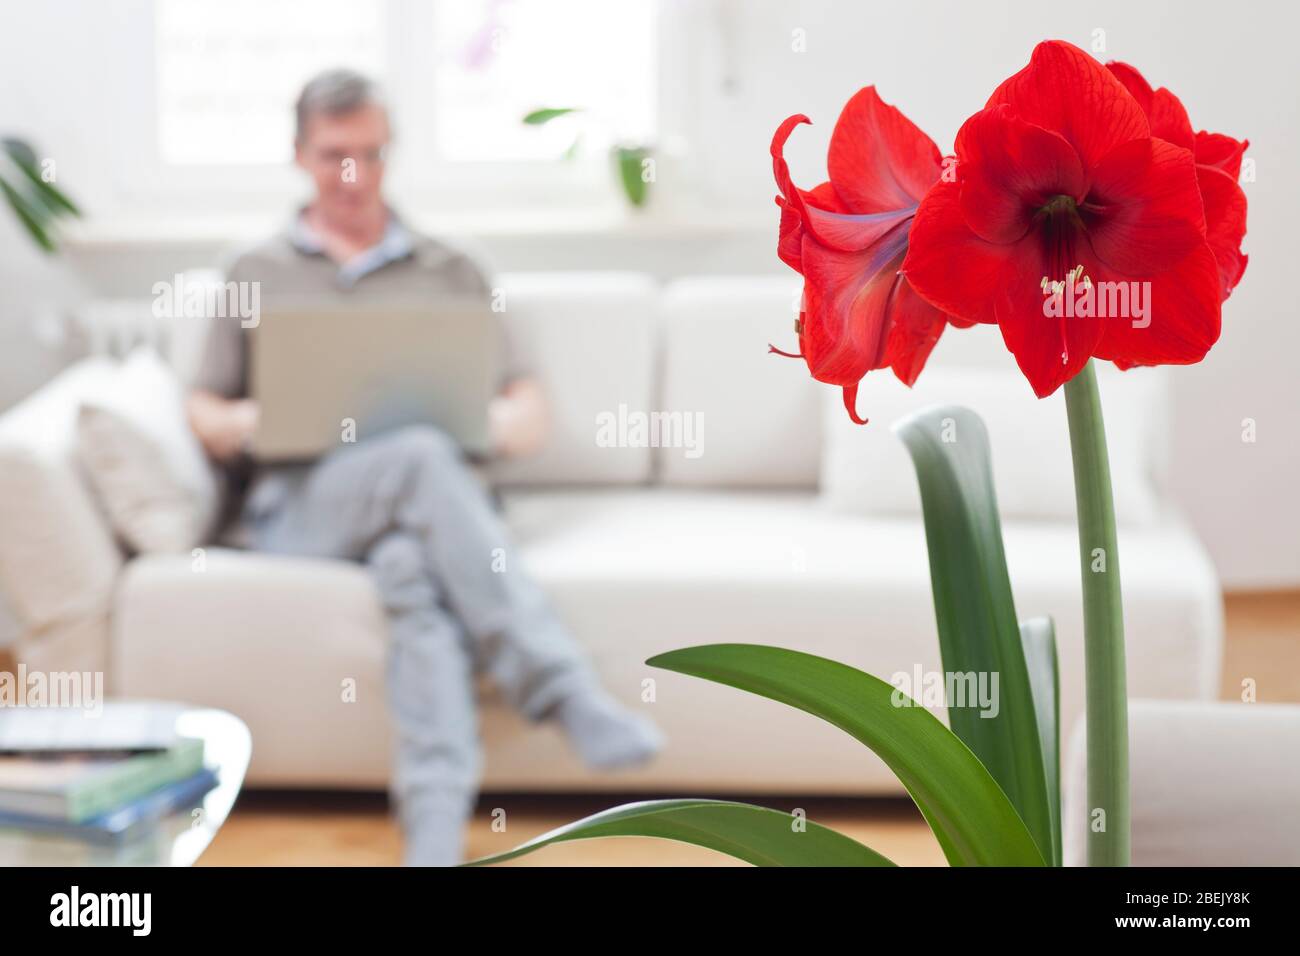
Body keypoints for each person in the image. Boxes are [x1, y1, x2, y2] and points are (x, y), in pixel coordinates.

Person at [186, 69, 662, 866]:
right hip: (304, 503)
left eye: (371, 155)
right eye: (335, 155)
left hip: (430, 504)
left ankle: (434, 834)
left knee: (412, 568)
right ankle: (557, 686)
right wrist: (258, 419)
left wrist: (483, 421)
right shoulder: (253, 270)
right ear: (299, 154)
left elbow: (530, 412)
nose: (355, 176)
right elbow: (203, 410)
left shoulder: (455, 268)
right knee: (418, 459)